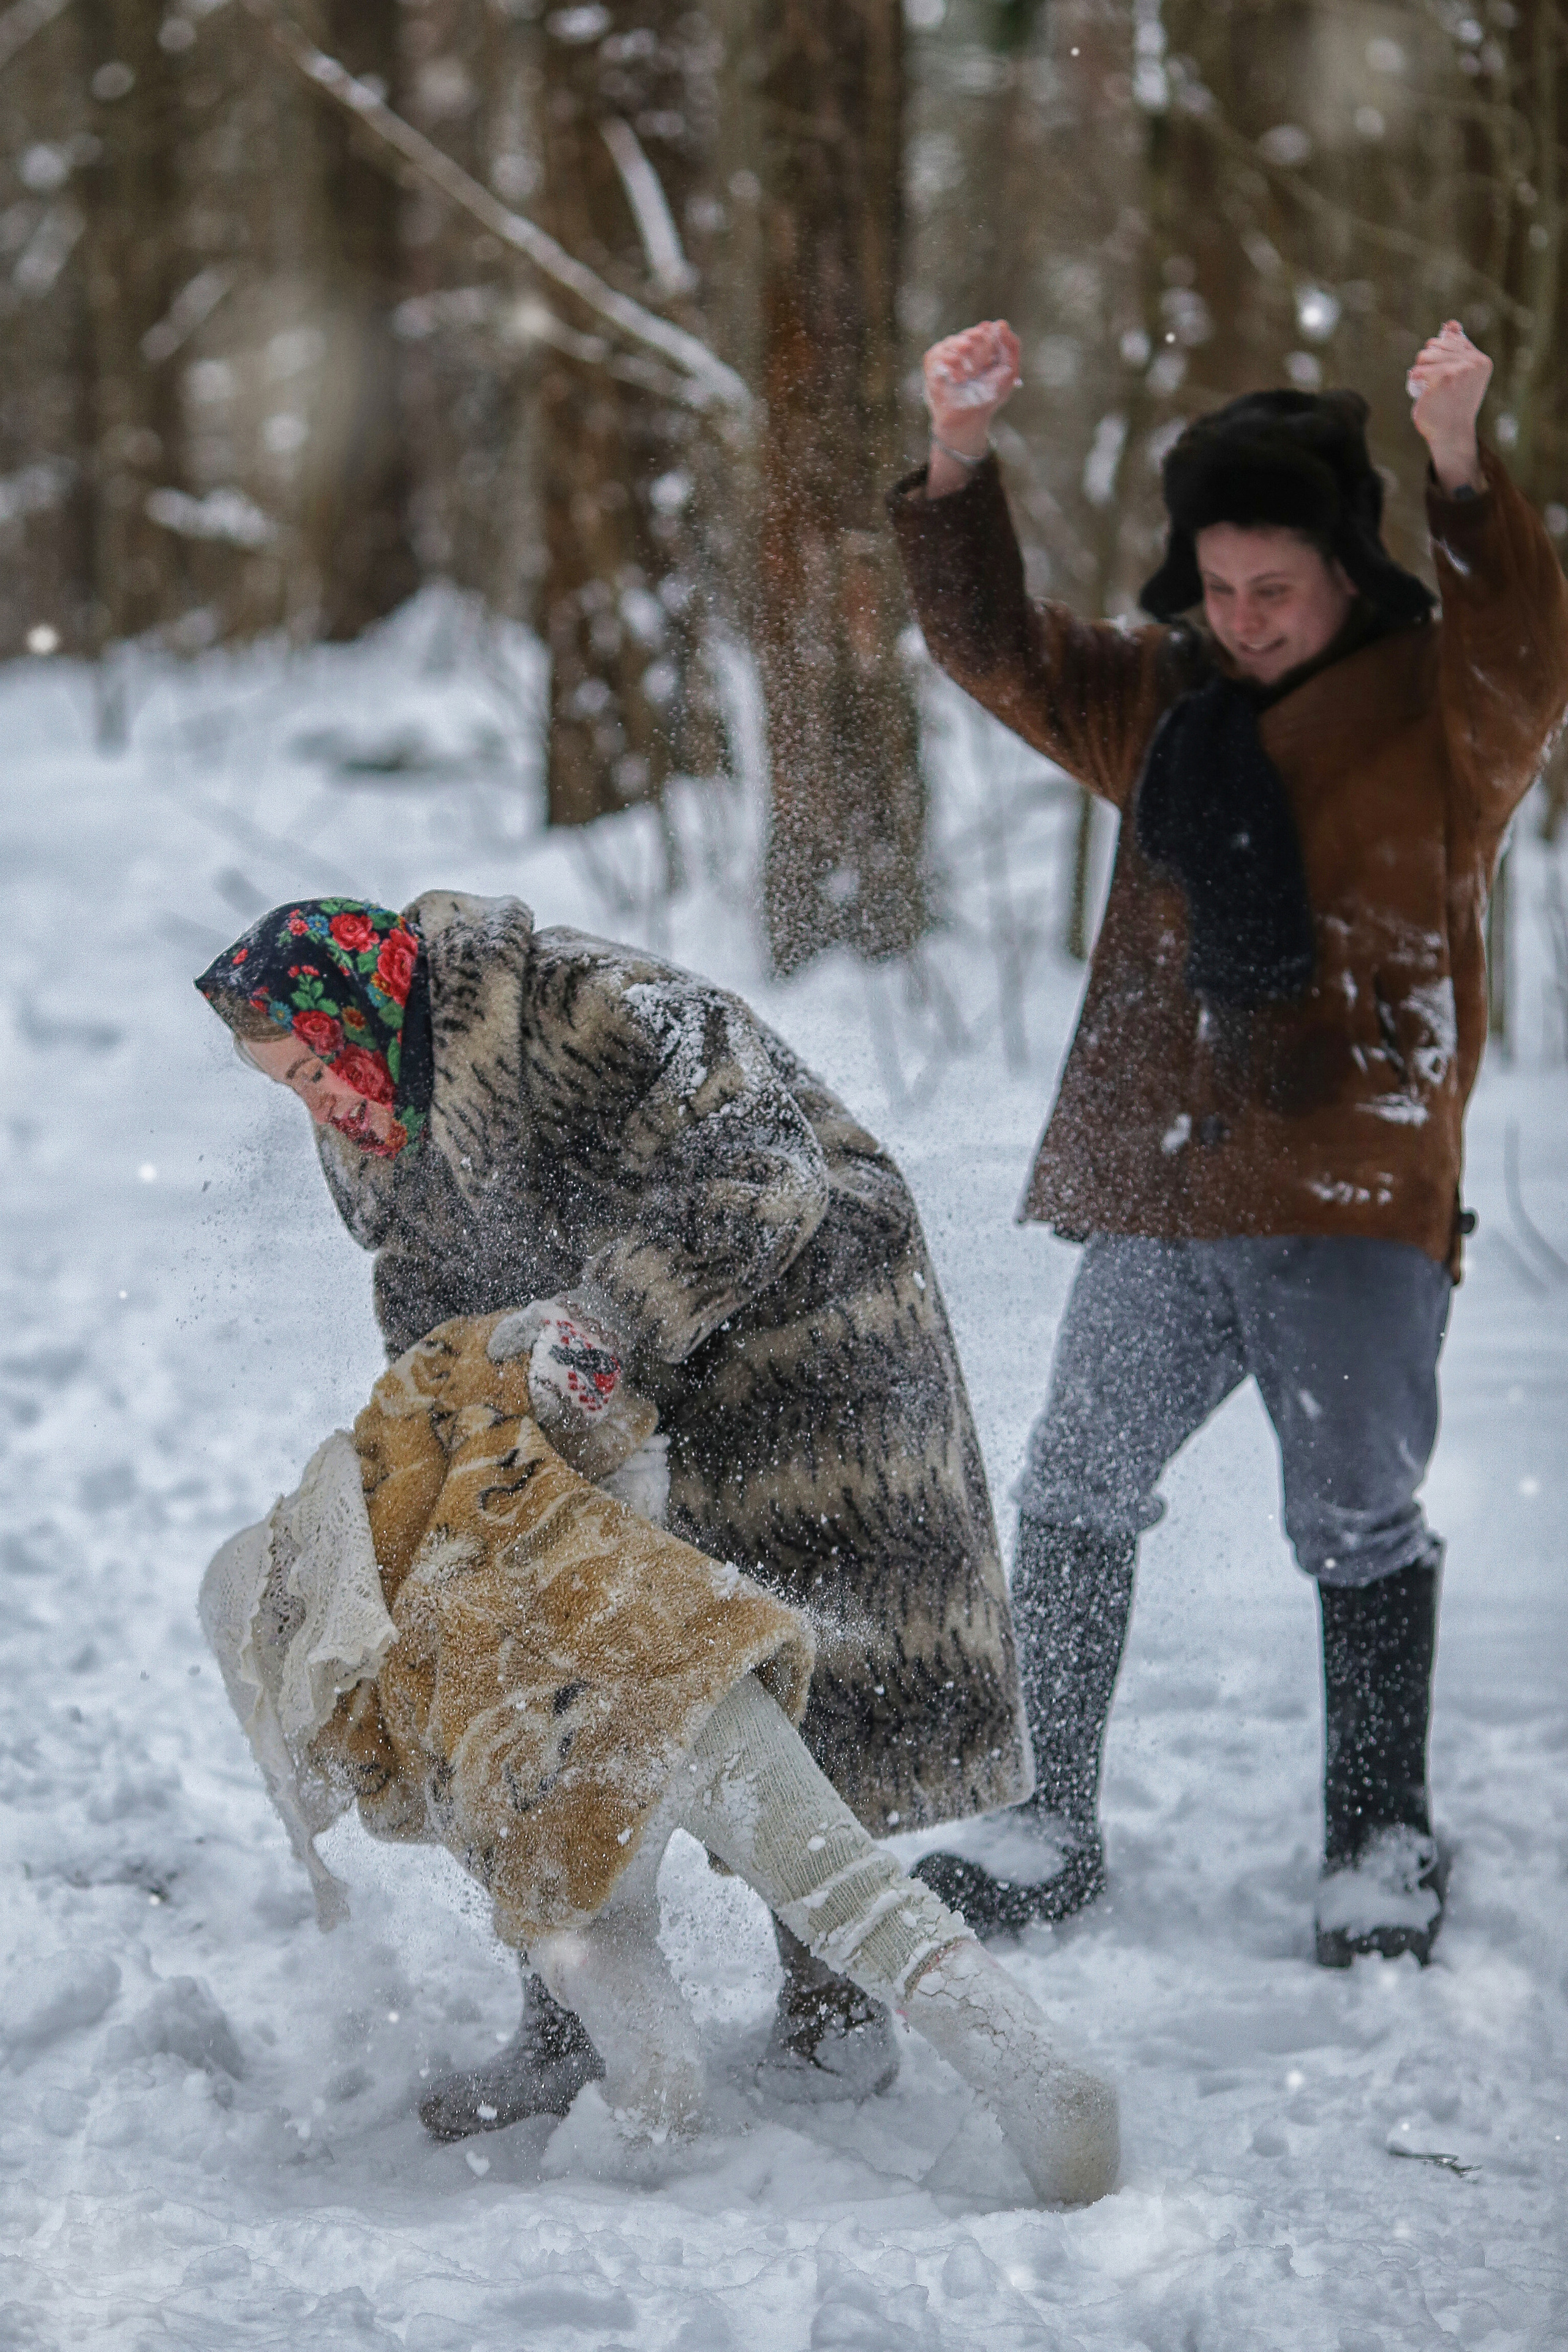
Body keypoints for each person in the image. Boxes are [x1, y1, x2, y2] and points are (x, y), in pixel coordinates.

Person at [888, 318, 1568, 1965]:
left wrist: (1465, 463)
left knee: (1353, 1510)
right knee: (1075, 1487)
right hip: (1168, 1175)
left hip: (1349, 1175)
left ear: (1350, 569)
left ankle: (1379, 1836)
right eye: (1221, 587)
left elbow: (1532, 653)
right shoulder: (1162, 702)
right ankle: (1047, 1820)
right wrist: (959, 461)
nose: (1245, 622)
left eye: (1278, 588)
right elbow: (999, 656)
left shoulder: (1440, 715)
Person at [195, 892, 1030, 2131]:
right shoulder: (387, 1125)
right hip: (606, 1383)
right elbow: (430, 1303)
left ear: (363, 1010)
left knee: (808, 1666)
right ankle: (569, 2025)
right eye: (289, 1086)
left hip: (805, 1350)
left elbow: (764, 1164)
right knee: (544, 1660)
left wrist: (612, 1320)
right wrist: (448, 1424)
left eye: (318, 1064)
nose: (319, 1101)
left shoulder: (579, 1003)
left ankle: (837, 2019)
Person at [199, 1308, 1117, 2208]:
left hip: (547, 1753)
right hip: (677, 1640)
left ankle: (651, 2120)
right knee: (855, 1892)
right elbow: (561, 1364)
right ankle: (1037, 2072)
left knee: (595, 1938)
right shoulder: (424, 1425)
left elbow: (382, 1789)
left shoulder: (388, 1682)